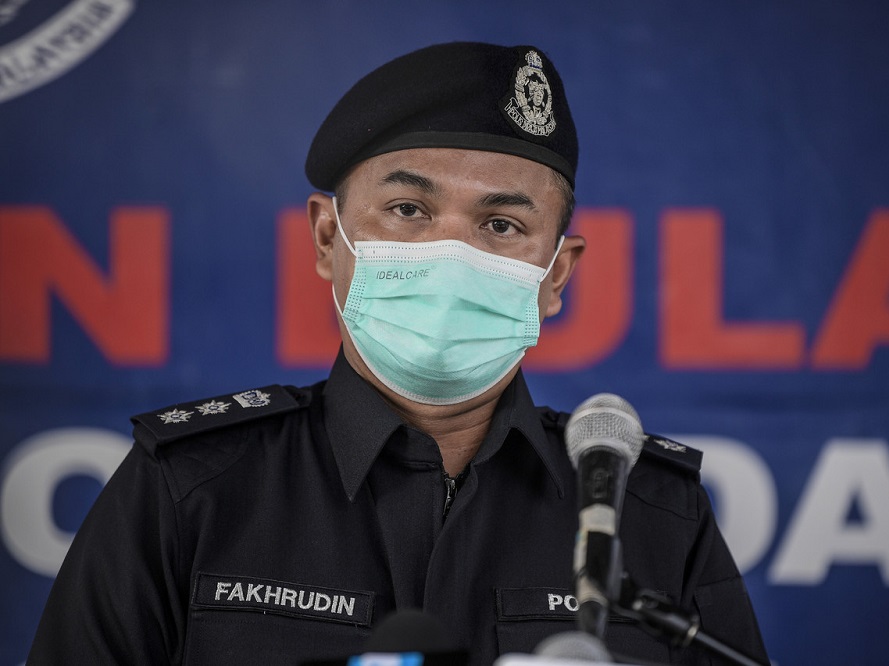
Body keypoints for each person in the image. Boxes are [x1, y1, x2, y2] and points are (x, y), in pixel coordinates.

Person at [28, 42, 769, 665]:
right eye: (409, 210)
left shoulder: (649, 515)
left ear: (557, 274)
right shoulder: (192, 489)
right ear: (328, 237)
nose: (452, 251)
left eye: (503, 224)